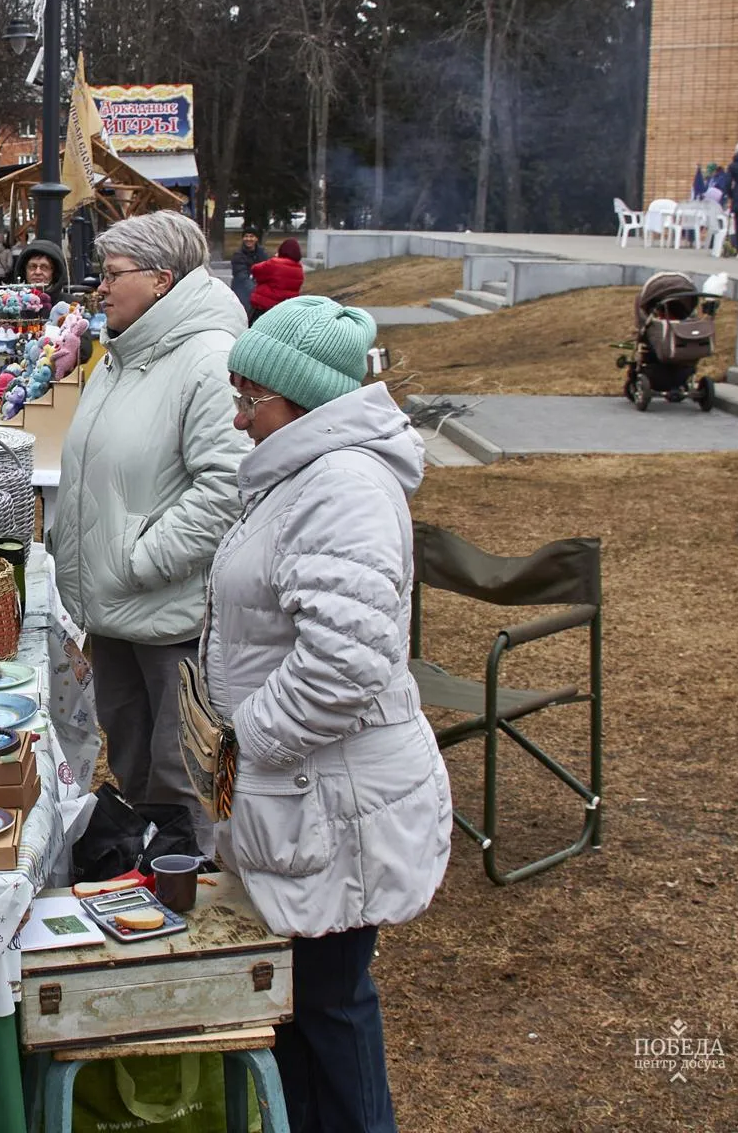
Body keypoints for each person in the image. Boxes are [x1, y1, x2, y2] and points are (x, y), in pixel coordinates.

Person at [205, 295, 452, 1133]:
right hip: (306, 788)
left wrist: (254, 739)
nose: (239, 420)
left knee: (332, 1007)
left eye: (250, 401)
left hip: (332, 794)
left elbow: (345, 663)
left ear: (301, 400)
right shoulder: (300, 474)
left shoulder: (341, 486)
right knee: (306, 1006)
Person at [51, 211, 250, 859]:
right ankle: (146, 879)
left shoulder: (206, 360)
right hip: (117, 611)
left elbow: (227, 487)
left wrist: (140, 561)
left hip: (172, 618)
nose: (99, 289)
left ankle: (191, 899)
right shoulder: (126, 351)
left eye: (112, 275)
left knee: (185, 775)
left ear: (162, 281)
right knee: (136, 764)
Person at [250, 237, 305, 320]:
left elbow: (255, 270)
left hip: (265, 307)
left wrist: (276, 258)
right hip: (286, 309)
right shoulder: (299, 268)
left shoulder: (275, 263)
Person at [228, 229, 268, 319]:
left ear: (256, 238)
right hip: (242, 289)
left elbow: (267, 270)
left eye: (251, 236)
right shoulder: (238, 255)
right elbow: (241, 275)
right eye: (246, 236)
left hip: (258, 290)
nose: (248, 239)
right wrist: (256, 290)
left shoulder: (262, 253)